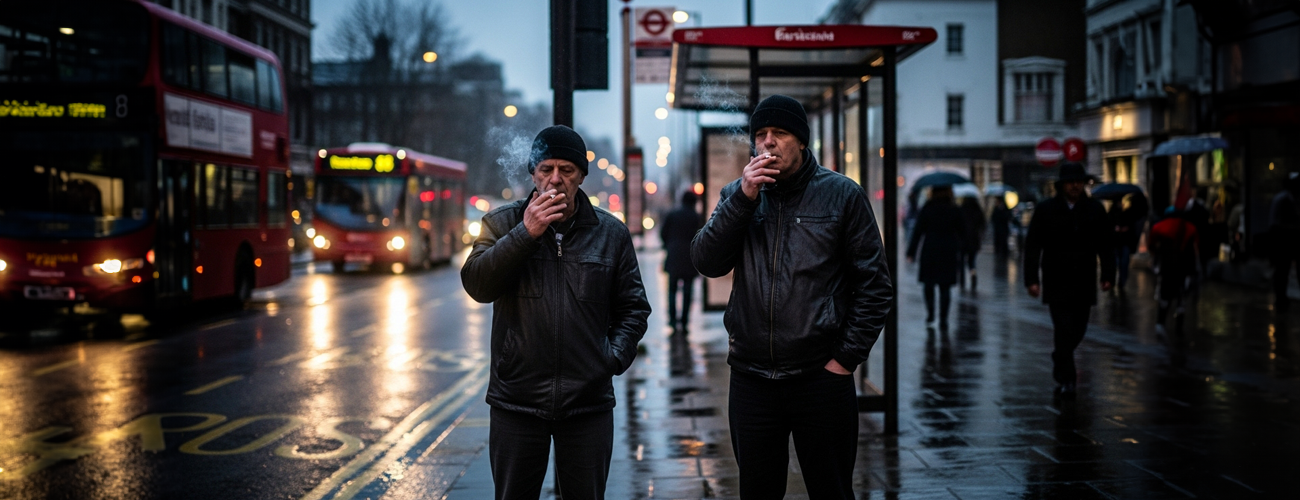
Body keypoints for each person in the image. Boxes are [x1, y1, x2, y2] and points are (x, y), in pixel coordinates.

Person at [691, 94, 893, 499]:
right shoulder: (738, 194)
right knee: (758, 490)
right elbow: (706, 260)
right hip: (752, 380)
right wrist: (743, 200)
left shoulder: (842, 195)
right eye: (760, 135)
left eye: (779, 133)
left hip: (820, 377)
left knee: (831, 489)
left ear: (801, 140)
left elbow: (874, 286)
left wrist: (844, 359)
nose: (768, 143)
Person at [460, 125, 651, 500]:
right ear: (533, 172)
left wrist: (610, 358)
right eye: (546, 169)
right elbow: (477, 285)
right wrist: (525, 234)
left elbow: (634, 308)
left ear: (581, 175)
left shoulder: (610, 234)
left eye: (566, 170)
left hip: (587, 406)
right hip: (517, 402)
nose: (555, 179)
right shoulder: (502, 223)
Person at [1023, 162, 1115, 399]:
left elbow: (1105, 245)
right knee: (1062, 327)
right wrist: (1031, 279)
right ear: (1062, 185)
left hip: (1084, 277)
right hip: (1056, 277)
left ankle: (1060, 356)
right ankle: (1068, 377)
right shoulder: (1046, 210)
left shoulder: (1094, 210)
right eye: (1071, 182)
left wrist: (1107, 275)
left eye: (1079, 182)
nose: (1075, 186)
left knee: (1079, 328)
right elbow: (1033, 245)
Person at [907, 185, 964, 328]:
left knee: (928, 284)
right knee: (945, 287)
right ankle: (943, 318)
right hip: (948, 251)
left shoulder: (927, 208)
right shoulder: (954, 209)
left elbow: (918, 231)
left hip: (930, 249)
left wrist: (911, 252)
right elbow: (963, 231)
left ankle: (931, 313)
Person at [1149, 206, 1200, 338]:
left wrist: (1155, 259)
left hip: (1167, 267)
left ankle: (1161, 323)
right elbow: (1195, 249)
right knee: (1181, 295)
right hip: (1184, 268)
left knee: (1165, 295)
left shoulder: (1159, 227)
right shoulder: (1190, 227)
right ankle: (1179, 324)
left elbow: (1152, 245)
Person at [660, 190, 702, 332]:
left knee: (671, 290)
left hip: (673, 256)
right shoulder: (696, 217)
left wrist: (669, 246)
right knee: (687, 291)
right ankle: (684, 322)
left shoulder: (673, 215)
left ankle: (672, 320)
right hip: (690, 258)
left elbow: (663, 233)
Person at [1268, 172, 1300, 311]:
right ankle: (1281, 299)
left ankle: (1281, 299)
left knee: (1283, 272)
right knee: (1282, 272)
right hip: (1282, 243)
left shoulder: (1290, 198)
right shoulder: (1284, 199)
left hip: (1287, 242)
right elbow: (1276, 224)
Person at [1109, 194, 1145, 292]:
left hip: (1122, 242)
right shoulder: (1113, 214)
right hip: (1118, 243)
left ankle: (1120, 281)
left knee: (1122, 263)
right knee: (1119, 263)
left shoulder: (1125, 214)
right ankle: (1118, 281)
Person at [959, 195, 986, 290]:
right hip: (974, 240)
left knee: (961, 261)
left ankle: (961, 280)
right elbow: (983, 224)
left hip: (962, 240)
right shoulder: (977, 210)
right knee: (971, 261)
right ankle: (973, 273)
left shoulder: (961, 210)